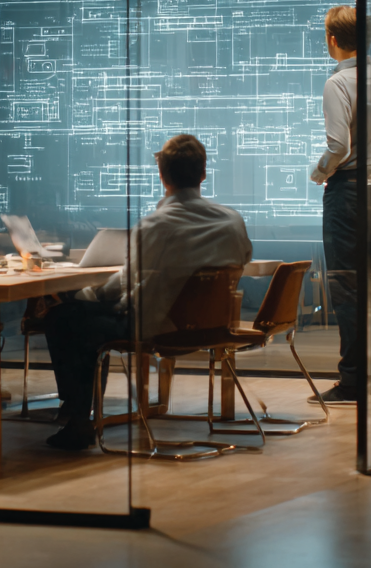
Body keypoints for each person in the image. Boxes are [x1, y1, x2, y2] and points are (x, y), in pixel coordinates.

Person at [42, 134, 253, 450]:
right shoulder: (233, 221)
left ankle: (79, 418)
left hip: (158, 328)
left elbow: (125, 283)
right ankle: (80, 416)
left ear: (162, 177)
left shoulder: (155, 225)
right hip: (212, 328)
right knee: (78, 316)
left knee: (63, 318)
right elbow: (242, 261)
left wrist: (82, 296)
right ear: (203, 174)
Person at [309, 6, 371, 406]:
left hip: (347, 193)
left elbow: (339, 147)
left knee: (345, 286)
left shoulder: (338, 84)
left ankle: (351, 383)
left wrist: (318, 172)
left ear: (333, 40)